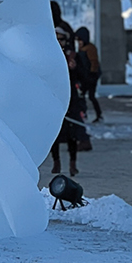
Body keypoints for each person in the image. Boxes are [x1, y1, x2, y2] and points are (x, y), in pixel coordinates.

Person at [49, 27, 87, 177]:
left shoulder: (72, 56)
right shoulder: (50, 56)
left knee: (72, 133)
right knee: (55, 134)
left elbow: (83, 76)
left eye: (62, 39)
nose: (60, 42)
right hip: (55, 98)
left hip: (71, 98)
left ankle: (72, 163)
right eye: (57, 39)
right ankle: (56, 161)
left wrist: (75, 69)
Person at [74, 25, 103, 122]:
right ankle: (86, 113)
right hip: (86, 77)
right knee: (85, 96)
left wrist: (91, 74)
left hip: (90, 77)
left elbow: (94, 62)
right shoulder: (85, 49)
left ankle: (94, 114)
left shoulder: (89, 49)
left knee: (89, 96)